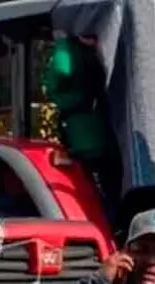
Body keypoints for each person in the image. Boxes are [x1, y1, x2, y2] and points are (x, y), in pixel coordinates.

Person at [43, 32, 123, 222]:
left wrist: (62, 42)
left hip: (86, 135)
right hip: (117, 133)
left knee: (96, 192)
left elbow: (61, 71)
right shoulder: (111, 41)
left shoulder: (69, 49)